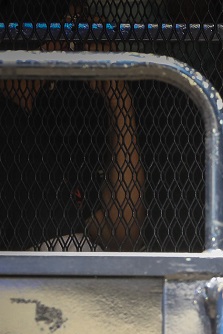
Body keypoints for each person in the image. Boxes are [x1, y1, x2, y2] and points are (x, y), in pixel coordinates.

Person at [0, 2, 145, 251]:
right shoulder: (13, 125)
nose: (79, 43)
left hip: (87, 273)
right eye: (72, 28)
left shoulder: (76, 115)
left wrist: (117, 90)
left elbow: (121, 232)